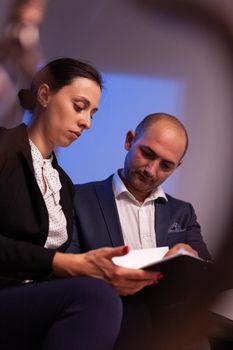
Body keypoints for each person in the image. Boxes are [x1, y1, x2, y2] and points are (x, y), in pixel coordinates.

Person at [0, 58, 163, 350]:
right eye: (79, 106)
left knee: (132, 312)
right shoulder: (4, 148)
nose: (87, 122)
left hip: (33, 297)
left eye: (93, 113)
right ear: (45, 95)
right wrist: (62, 263)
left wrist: (104, 271)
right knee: (96, 297)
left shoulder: (63, 184)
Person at [69, 113, 211, 349]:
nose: (151, 170)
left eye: (166, 165)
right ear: (129, 140)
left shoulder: (183, 212)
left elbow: (206, 272)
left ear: (178, 166)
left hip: (176, 334)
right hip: (110, 327)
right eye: (147, 153)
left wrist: (191, 258)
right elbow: (65, 271)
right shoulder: (78, 199)